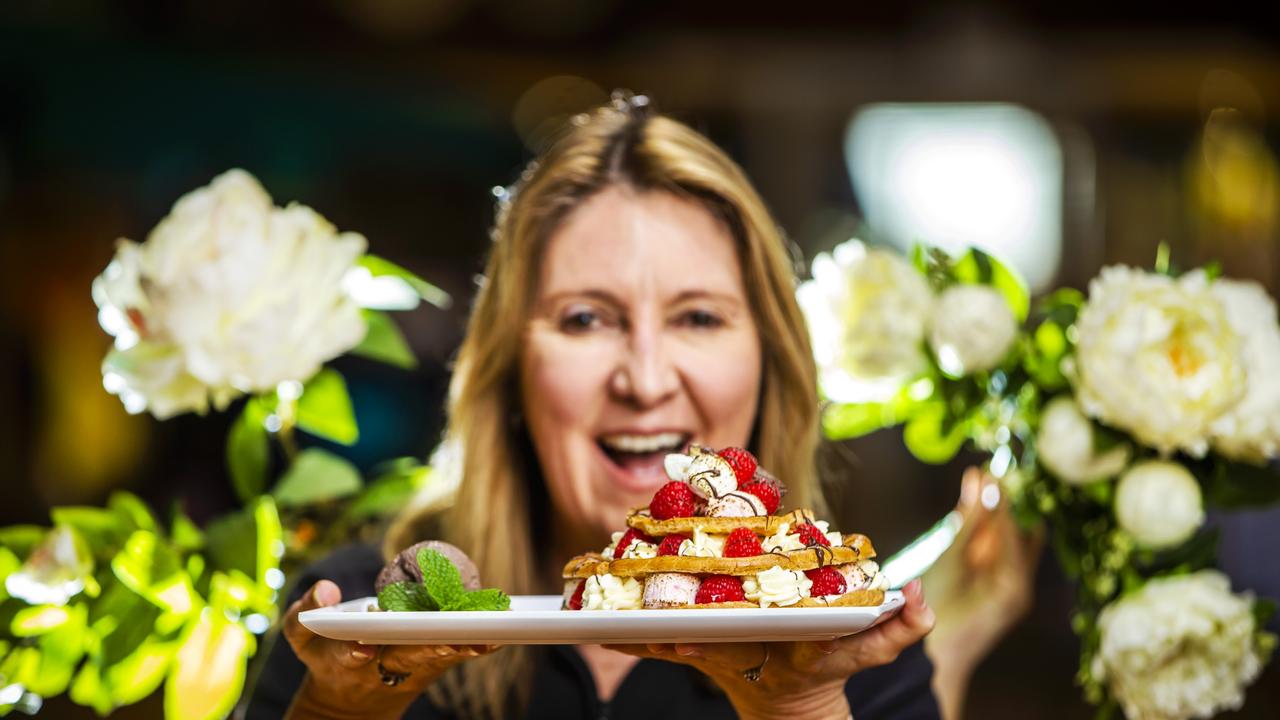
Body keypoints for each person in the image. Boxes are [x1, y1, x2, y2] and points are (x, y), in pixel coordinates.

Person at [246, 93, 939, 720]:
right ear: (511, 365)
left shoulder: (855, 651)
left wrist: (802, 705)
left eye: (697, 317)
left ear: (769, 358)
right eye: (584, 319)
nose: (643, 380)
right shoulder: (358, 625)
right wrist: (340, 711)